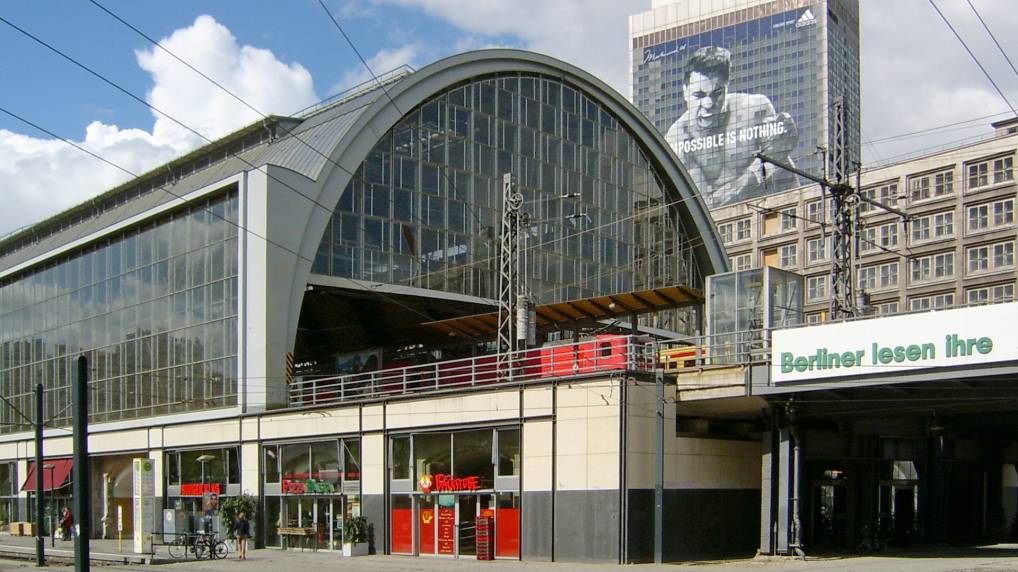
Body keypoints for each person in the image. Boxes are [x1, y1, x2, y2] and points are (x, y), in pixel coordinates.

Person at [665, 46, 800, 208]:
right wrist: (759, 170)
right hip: (728, 225)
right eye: (699, 95)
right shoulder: (677, 137)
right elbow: (704, 207)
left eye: (717, 93)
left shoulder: (755, 108)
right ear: (685, 92)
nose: (708, 104)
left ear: (727, 86)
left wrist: (783, 142)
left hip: (781, 212)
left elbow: (781, 163)